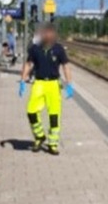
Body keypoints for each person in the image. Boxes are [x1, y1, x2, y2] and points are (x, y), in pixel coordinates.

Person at [19, 23, 74, 155]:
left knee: (54, 115)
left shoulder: (59, 49)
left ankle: (52, 144)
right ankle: (39, 136)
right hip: (39, 83)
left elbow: (66, 66)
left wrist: (69, 84)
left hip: (53, 84)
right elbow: (29, 64)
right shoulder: (35, 49)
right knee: (31, 111)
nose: (47, 35)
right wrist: (22, 80)